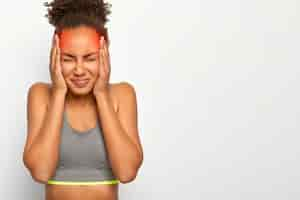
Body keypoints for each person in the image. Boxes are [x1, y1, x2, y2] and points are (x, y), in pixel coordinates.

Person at [22, 0, 144, 199]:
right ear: (55, 53)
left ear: (105, 52)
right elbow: (41, 172)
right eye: (68, 58)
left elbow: (127, 172)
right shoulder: (41, 95)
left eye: (90, 58)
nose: (79, 70)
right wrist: (59, 92)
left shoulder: (122, 95)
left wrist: (102, 93)